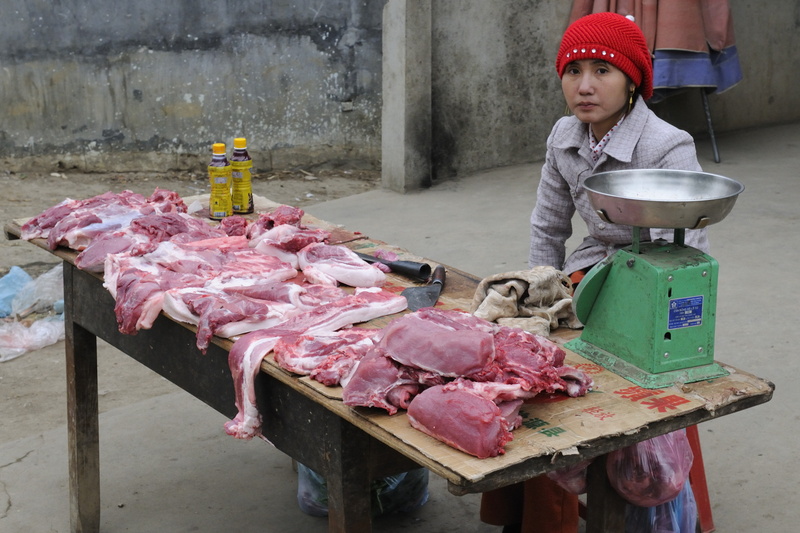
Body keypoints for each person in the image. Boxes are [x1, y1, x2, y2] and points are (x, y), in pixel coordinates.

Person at [479, 12, 708, 533]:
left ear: (632, 82)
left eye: (602, 72)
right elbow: (549, 224)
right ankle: (541, 516)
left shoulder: (667, 146)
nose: (584, 86)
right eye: (572, 70)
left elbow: (689, 246)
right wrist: (540, 293)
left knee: (620, 389)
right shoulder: (564, 135)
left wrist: (663, 321)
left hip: (657, 280)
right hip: (592, 266)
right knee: (536, 368)